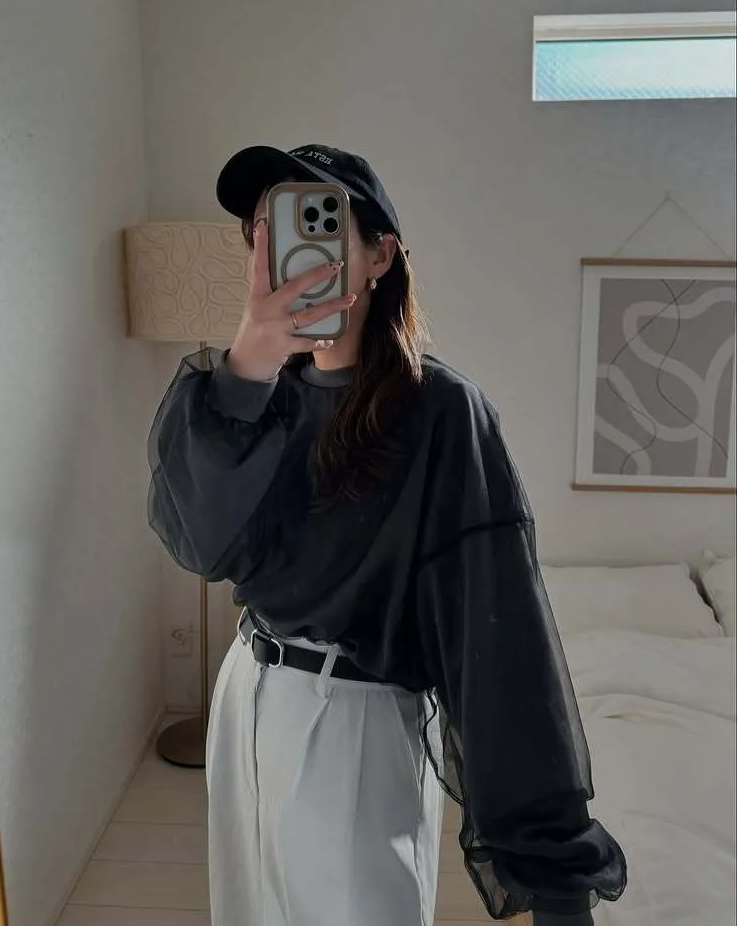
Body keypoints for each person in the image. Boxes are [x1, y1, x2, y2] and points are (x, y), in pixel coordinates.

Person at [148, 144, 627, 926]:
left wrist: (554, 865)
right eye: (267, 228)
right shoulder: (242, 397)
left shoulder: (441, 410)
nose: (287, 246)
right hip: (245, 695)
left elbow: (497, 626)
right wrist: (248, 362)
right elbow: (199, 544)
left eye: (318, 223)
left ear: (380, 255)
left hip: (356, 717)